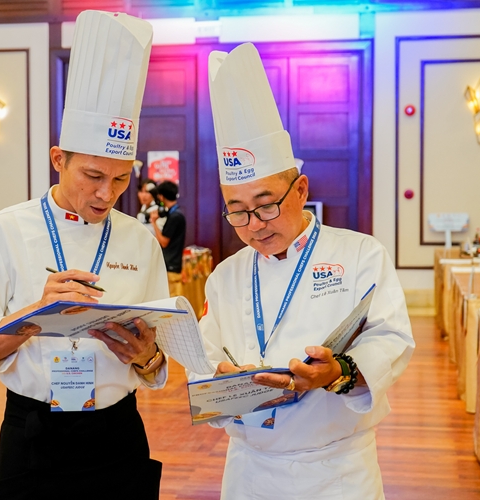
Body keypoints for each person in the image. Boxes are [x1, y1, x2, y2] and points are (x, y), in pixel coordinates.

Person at [0, 11, 168, 499]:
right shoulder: (4, 230)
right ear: (58, 159)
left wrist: (148, 357)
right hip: (33, 432)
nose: (107, 193)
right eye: (93, 176)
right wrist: (34, 316)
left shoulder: (140, 240)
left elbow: (158, 363)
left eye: (120, 178)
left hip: (117, 433)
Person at [189, 43, 415, 499]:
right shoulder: (224, 277)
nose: (254, 225)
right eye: (237, 211)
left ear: (301, 190)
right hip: (249, 472)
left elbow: (391, 339)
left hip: (337, 472)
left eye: (266, 205)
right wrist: (221, 378)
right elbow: (202, 362)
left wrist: (338, 372)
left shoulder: (360, 254)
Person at [149, 181, 186, 297]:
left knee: (171, 300)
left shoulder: (175, 216)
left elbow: (164, 242)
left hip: (171, 266)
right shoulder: (175, 214)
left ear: (161, 196)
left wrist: (153, 222)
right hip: (171, 265)